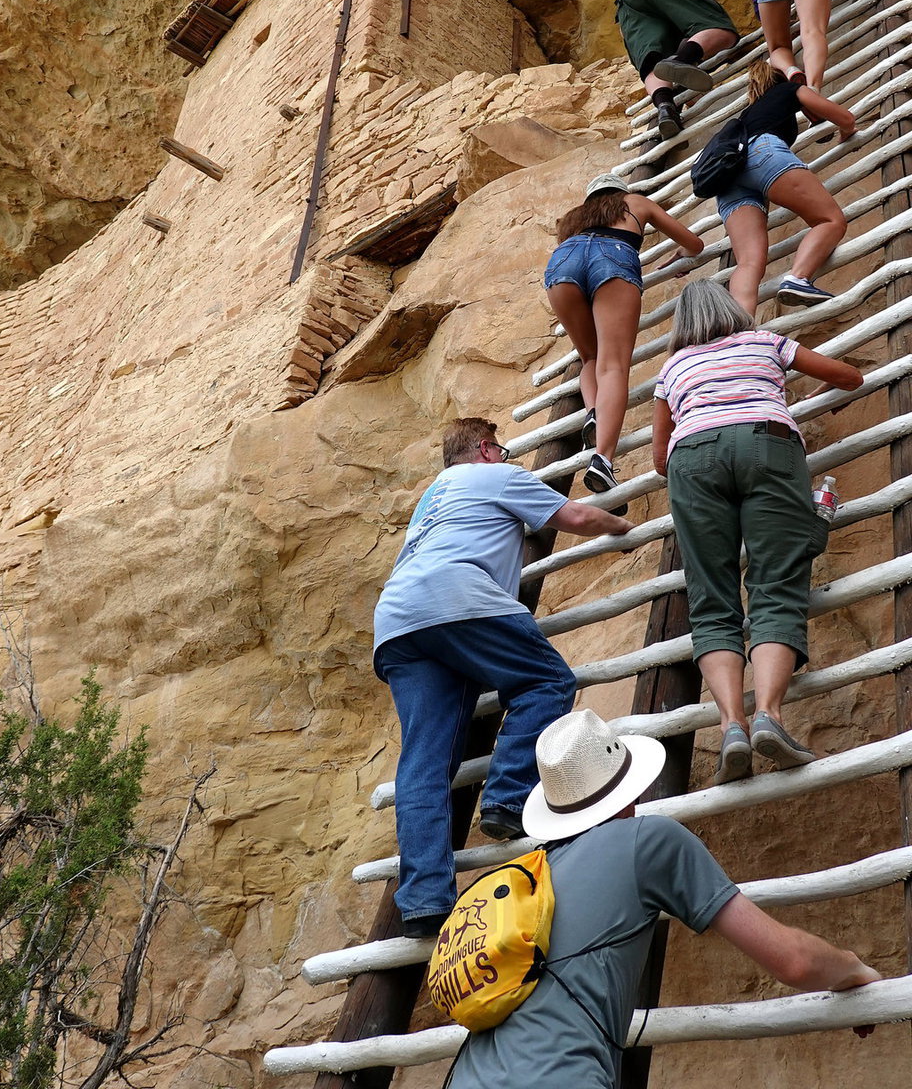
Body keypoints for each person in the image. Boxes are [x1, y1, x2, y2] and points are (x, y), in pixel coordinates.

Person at [447, 708, 880, 1089]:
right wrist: (854, 969)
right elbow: (794, 961)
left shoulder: (529, 878)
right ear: (630, 788)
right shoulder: (647, 839)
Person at [373, 417, 633, 938]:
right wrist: (626, 529)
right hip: (458, 599)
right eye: (506, 451)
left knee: (424, 759)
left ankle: (423, 899)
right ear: (488, 450)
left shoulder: (429, 502)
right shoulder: (495, 476)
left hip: (397, 622)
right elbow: (575, 516)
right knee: (545, 683)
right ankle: (508, 797)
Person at [652, 282, 862, 784]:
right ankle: (769, 714)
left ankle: (731, 726)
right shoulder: (766, 341)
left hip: (692, 461)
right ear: (730, 310)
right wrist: (799, 395)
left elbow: (660, 460)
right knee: (776, 583)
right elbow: (849, 376)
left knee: (711, 596)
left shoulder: (671, 368)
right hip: (767, 443)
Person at [544, 173, 703, 506]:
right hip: (612, 257)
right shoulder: (635, 203)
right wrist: (680, 255)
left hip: (562, 265)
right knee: (614, 365)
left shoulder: (573, 220)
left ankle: (594, 412)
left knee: (590, 357)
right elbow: (693, 243)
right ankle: (602, 458)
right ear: (620, 191)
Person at [714, 60, 856, 311]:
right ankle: (798, 278)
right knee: (830, 220)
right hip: (763, 154)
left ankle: (742, 327)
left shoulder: (749, 113)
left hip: (727, 178)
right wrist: (846, 134)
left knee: (748, 262)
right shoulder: (789, 90)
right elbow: (844, 117)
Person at [613, 0, 755, 139]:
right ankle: (682, 60)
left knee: (652, 61)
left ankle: (665, 108)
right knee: (721, 30)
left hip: (627, 3)